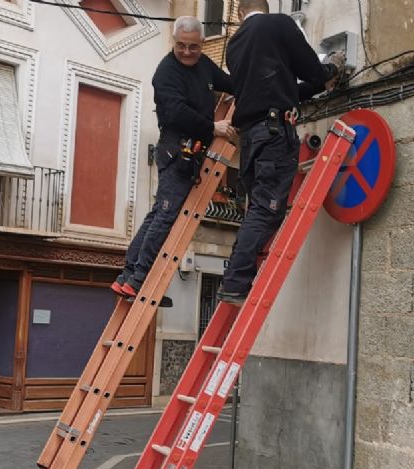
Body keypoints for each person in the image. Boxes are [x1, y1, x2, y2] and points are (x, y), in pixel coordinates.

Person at [217, 0, 345, 305]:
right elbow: (311, 69)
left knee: (259, 210)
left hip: (251, 140)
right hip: (275, 135)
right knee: (266, 210)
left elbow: (281, 89)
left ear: (238, 13)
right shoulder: (279, 24)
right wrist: (333, 68)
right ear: (266, 6)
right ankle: (235, 282)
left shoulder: (234, 47)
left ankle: (235, 277)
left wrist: (316, 86)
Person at [111, 15, 237, 298]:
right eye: (181, 46)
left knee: (159, 213)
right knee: (165, 216)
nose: (187, 52)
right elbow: (177, 112)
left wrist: (241, 88)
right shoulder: (166, 72)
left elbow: (227, 82)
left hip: (187, 151)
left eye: (193, 47)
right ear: (174, 42)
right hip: (176, 150)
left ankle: (129, 274)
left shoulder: (204, 65)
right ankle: (139, 277)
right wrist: (212, 126)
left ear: (202, 45)